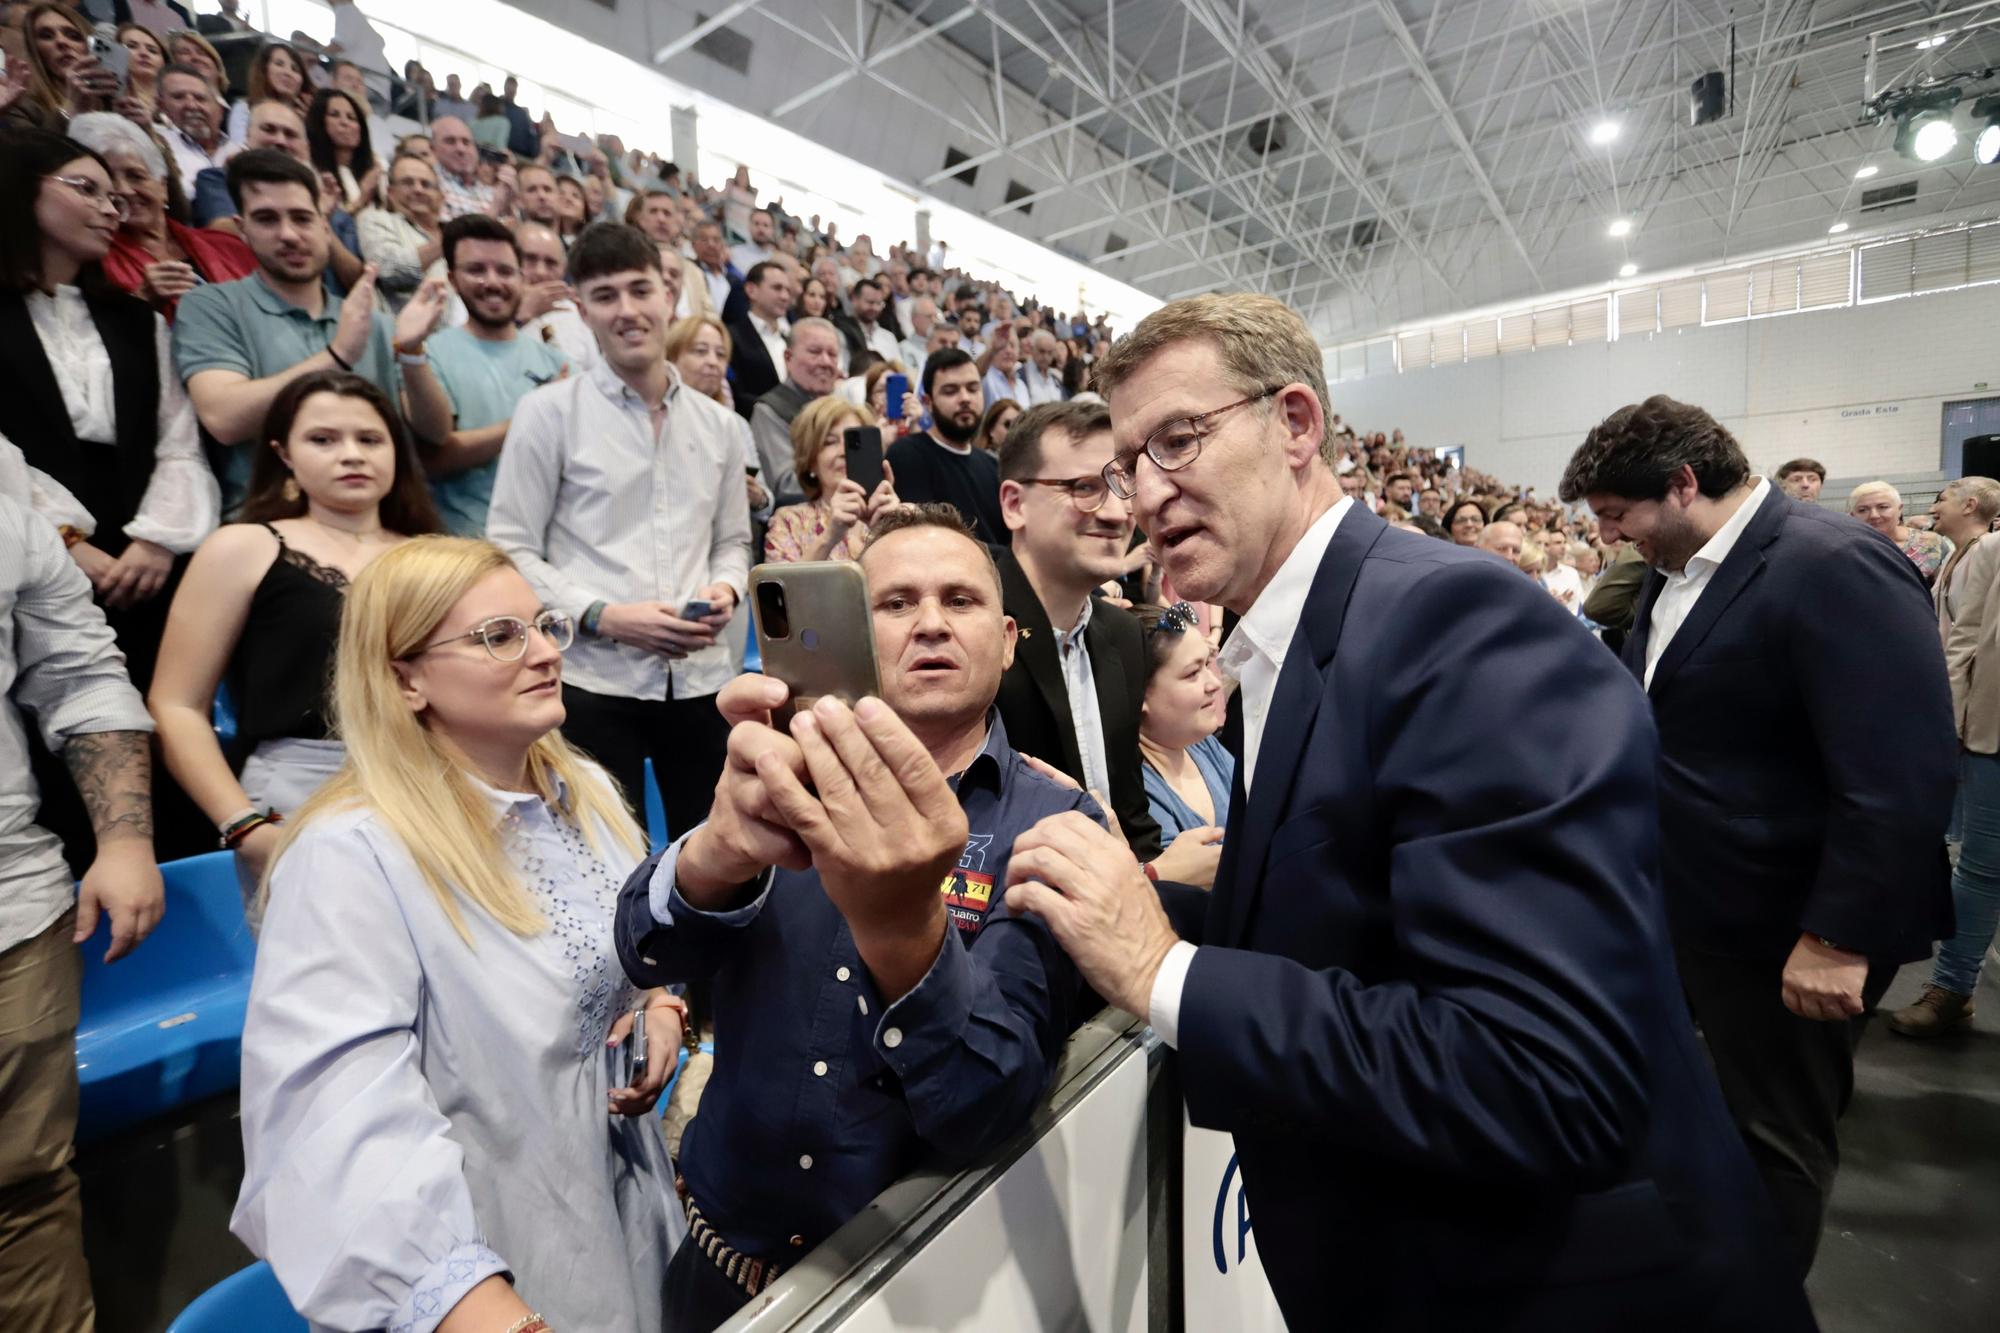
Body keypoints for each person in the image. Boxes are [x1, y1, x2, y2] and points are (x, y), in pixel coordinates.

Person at [1002, 295, 1814, 1328]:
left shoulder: (1453, 625)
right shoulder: (1308, 636)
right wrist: (1124, 905)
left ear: (1295, 423)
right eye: (1126, 464)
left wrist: (1161, 971)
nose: (1139, 496)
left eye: (1176, 439)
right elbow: (1344, 921)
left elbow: (1538, 1073)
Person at [613, 504, 1099, 1330]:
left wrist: (903, 929)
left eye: (961, 599)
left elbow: (987, 1100)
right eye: (896, 602)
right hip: (717, 1276)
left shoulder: (1059, 825)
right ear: (853, 631)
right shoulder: (776, 772)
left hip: (923, 1293)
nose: (932, 623)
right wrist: (714, 856)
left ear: (1013, 639)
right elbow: (645, 949)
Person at [232, 530, 685, 1329]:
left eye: (545, 625)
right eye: (499, 636)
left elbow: (623, 951)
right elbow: (338, 1132)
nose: (545, 651)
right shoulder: (349, 853)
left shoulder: (580, 791)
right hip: (488, 1271)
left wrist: (657, 1001)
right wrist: (476, 1306)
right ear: (405, 678)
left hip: (619, 1218)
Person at [1561, 393, 1954, 1273]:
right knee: (1703, 1118)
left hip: (1792, 923)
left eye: (1621, 516)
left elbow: (1900, 765)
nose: (1618, 537)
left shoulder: (1832, 562)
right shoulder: (1674, 575)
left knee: (1773, 1140)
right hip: (1699, 907)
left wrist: (1838, 934)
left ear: (1683, 483)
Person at [486, 223, 750, 840]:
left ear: (669, 295)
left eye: (640, 290)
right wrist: (603, 615)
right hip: (593, 680)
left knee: (715, 857)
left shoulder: (720, 427)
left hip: (702, 679)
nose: (628, 311)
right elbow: (508, 545)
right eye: (606, 296)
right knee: (605, 865)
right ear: (581, 309)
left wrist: (726, 591)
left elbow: (733, 542)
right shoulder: (547, 412)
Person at [150, 372, 442, 921]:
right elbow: (175, 704)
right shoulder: (244, 546)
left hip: (431, 782)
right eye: (324, 439)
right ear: (284, 454)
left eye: (370, 439)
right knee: (320, 992)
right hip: (299, 786)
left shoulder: (436, 555)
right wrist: (243, 826)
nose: (351, 454)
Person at [0, 491, 164, 1333]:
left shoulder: (3, 477)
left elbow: (79, 671)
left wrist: (126, 838)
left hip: (10, 905)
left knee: (24, 1192)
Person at [0, 127, 218, 702]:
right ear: (25, 190)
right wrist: (68, 544)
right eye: (87, 190)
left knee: (150, 708)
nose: (109, 209)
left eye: (114, 198)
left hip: (135, 555)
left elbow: (178, 442)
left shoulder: (136, 321)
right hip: (21, 550)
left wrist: (156, 542)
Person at [173, 148, 454, 511]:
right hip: (273, 525)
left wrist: (412, 352)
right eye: (267, 219)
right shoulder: (211, 305)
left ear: (325, 226)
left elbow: (435, 431)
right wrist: (338, 356)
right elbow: (224, 418)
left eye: (302, 218)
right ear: (242, 230)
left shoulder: (374, 321)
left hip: (379, 521)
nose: (288, 234)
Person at [992, 399, 1163, 860]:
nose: (1116, 514)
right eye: (1084, 487)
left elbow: (1131, 813)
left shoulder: (1126, 635)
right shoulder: (972, 632)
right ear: (1014, 504)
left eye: (1122, 486)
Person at [1893, 474, 2000, 1036]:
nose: (1935, 504)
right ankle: (1954, 987)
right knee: (1981, 868)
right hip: (1991, 729)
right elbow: (1962, 642)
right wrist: (1950, 718)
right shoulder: (1983, 552)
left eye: (1944, 495)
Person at [422, 215, 570, 537]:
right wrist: (536, 412)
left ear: (520, 277)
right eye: (476, 270)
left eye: (504, 271)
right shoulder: (430, 354)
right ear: (453, 278)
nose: (492, 282)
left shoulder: (555, 360)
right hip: (468, 545)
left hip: (548, 545)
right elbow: (434, 457)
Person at [70, 112, 255, 321]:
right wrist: (141, 301)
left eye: (135, 176)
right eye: (110, 181)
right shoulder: (93, 262)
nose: (124, 190)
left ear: (163, 186)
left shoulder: (228, 246)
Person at [1134, 599, 1230, 887]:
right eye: (1192, 673)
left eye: (1208, 666)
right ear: (1141, 696)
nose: (1214, 684)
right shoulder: (1137, 794)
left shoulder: (1203, 746)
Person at [886, 348, 1006, 542]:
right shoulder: (907, 455)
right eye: (951, 391)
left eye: (973, 388)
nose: (965, 398)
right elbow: (927, 541)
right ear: (928, 402)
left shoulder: (993, 467)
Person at [763, 397, 900, 563]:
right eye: (830, 442)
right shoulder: (788, 522)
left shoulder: (899, 514)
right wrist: (830, 536)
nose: (844, 452)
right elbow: (783, 587)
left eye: (853, 444)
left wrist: (892, 529)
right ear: (810, 461)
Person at [665, 312, 769, 527]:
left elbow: (766, 505)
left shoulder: (736, 423)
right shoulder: (658, 416)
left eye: (721, 354)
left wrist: (757, 497)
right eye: (700, 351)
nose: (713, 362)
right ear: (671, 357)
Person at [746, 316, 843, 503]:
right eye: (815, 352)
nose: (825, 362)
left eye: (832, 354)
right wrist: (845, 478)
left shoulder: (843, 409)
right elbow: (785, 487)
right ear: (788, 358)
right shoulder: (770, 410)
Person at [356, 149, 446, 313]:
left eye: (426, 184)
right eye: (407, 183)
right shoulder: (375, 219)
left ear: (441, 196)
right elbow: (387, 269)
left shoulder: (451, 229)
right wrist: (446, 242)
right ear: (390, 193)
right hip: (408, 333)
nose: (418, 189)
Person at [9, 4, 115, 130]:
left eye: (73, 36)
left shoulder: (113, 105)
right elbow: (34, 149)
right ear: (35, 51)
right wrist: (70, 111)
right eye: (47, 36)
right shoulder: (22, 109)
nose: (61, 42)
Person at [513, 219, 594, 369]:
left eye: (551, 263)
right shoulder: (479, 306)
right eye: (530, 259)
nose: (540, 272)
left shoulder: (576, 313)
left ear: (563, 270)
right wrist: (517, 320)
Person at [726, 259, 792, 418]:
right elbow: (736, 394)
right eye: (777, 288)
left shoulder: (791, 339)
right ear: (751, 290)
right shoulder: (731, 336)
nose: (784, 296)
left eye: (787, 290)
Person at [1850, 479, 1947, 586]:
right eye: (1863, 510)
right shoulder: (1847, 551)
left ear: (1899, 509)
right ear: (1852, 515)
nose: (1874, 515)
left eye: (1883, 507)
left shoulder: (1932, 544)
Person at [156, 61, 229, 199]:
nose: (192, 105)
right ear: (161, 105)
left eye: (200, 98)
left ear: (217, 107)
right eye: (178, 97)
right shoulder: (155, 143)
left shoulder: (239, 150)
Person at [305, 86, 378, 216]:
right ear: (319, 122)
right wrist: (362, 199)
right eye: (334, 115)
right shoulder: (310, 170)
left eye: (351, 117)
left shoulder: (373, 172)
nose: (345, 122)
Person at [429, 115, 513, 221]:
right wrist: (496, 207)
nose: (461, 149)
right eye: (450, 141)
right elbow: (450, 234)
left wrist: (509, 207)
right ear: (432, 149)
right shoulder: (427, 185)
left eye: (466, 142)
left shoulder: (491, 192)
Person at [225, 40, 310, 143]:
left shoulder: (308, 118)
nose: (288, 73)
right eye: (279, 64)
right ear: (264, 70)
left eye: (295, 69)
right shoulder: (244, 109)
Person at [114, 23, 168, 120]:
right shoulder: (106, 99)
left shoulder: (177, 103)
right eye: (132, 46)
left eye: (152, 51)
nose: (144, 53)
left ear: (164, 62)